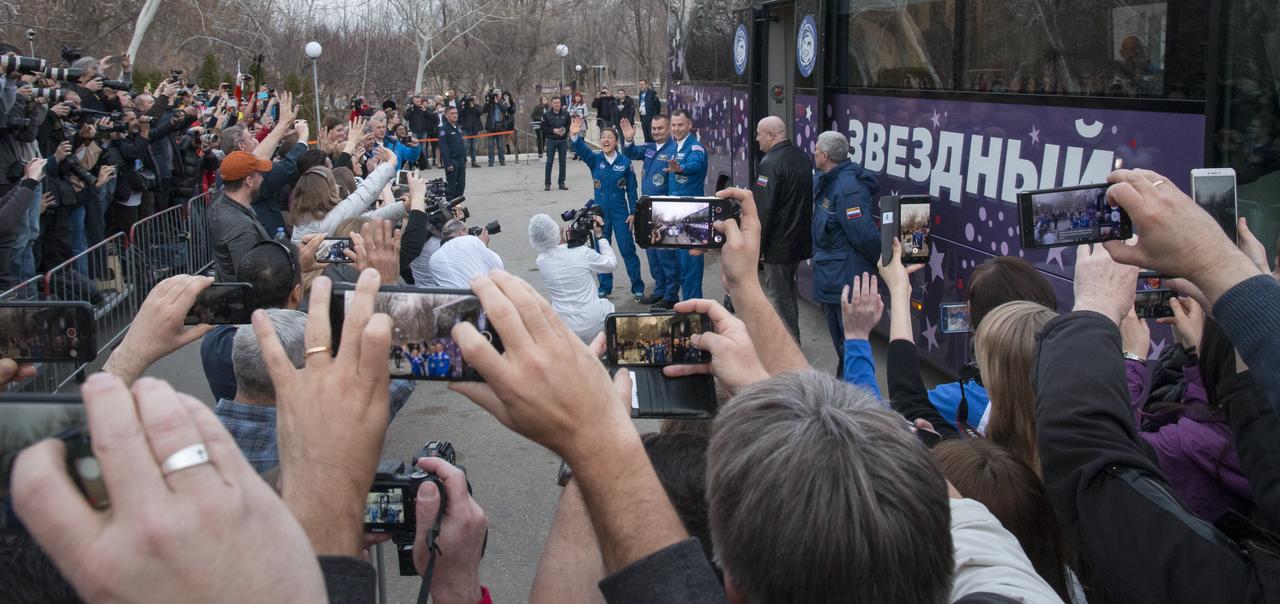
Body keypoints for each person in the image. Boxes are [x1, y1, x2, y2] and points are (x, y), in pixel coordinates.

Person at [811, 130, 880, 376]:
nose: (814, 153)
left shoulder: (847, 189)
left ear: (826, 156)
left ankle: (855, 394)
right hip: (833, 274)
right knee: (841, 343)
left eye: (816, 150)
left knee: (849, 342)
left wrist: (882, 263)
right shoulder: (827, 180)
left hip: (845, 277)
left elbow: (863, 235)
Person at [569, 115, 649, 302]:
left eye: (609, 137)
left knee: (628, 251)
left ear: (616, 141)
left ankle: (637, 288)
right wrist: (575, 137)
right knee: (601, 252)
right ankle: (605, 287)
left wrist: (632, 213)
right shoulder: (595, 160)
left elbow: (631, 189)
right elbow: (581, 149)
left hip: (621, 213)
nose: (605, 140)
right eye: (603, 137)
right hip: (600, 215)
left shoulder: (625, 163)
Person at [752, 116, 814, 341]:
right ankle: (792, 339)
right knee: (789, 294)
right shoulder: (801, 157)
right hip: (797, 241)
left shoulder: (770, 162)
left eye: (759, 133)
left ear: (771, 135)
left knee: (779, 297)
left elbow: (764, 209)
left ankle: (788, 347)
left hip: (779, 245)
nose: (756, 138)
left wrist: (757, 247)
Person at [620, 116, 680, 308]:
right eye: (653, 128)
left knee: (666, 256)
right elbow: (630, 152)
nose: (656, 132)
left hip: (664, 210)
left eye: (660, 128)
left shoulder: (675, 150)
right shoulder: (650, 147)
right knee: (653, 254)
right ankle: (659, 291)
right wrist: (628, 139)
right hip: (647, 208)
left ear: (669, 129)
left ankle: (671, 296)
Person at [529, 213, 618, 342]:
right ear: (558, 231)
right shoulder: (582, 252)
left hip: (564, 327)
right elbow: (611, 264)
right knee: (607, 305)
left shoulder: (541, 261)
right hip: (593, 323)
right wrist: (600, 236)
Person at [208, 151, 274, 281]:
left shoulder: (220, 200)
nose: (262, 178)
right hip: (243, 299)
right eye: (259, 174)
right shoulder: (241, 226)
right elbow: (250, 278)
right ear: (249, 181)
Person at [666, 109, 709, 300]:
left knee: (691, 267)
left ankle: (694, 312)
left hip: (692, 213)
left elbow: (697, 164)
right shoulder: (675, 146)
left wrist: (681, 168)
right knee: (680, 264)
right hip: (675, 211)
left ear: (689, 125)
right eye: (673, 125)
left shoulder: (695, 147)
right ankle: (685, 307)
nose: (676, 128)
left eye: (680, 125)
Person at [427, 219, 503, 288]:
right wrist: (483, 246)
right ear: (462, 231)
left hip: (455, 301)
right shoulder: (471, 241)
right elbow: (498, 267)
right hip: (480, 296)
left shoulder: (434, 258)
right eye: (467, 231)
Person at [541, 97, 570, 191]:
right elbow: (543, 128)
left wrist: (564, 130)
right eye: (555, 103)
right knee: (549, 162)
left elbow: (569, 125)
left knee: (563, 162)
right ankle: (547, 184)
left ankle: (561, 183)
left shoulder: (566, 114)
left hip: (563, 141)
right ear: (552, 104)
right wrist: (553, 130)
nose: (557, 104)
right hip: (551, 140)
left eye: (558, 102)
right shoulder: (546, 115)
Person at [439, 106, 467, 200]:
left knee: (461, 184)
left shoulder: (457, 128)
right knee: (451, 187)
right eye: (452, 113)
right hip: (452, 161)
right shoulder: (444, 129)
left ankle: (457, 205)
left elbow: (461, 144)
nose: (455, 115)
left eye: (456, 113)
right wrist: (447, 163)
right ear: (446, 115)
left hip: (460, 160)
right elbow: (443, 147)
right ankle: (450, 207)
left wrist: (465, 159)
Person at [482, 89, 509, 166]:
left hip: (500, 127)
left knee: (500, 145)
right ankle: (491, 161)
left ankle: (502, 161)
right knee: (490, 146)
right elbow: (484, 110)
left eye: (498, 94)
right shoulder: (490, 103)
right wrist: (488, 101)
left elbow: (504, 108)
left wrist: (497, 102)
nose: (497, 96)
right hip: (491, 127)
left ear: (500, 95)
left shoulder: (503, 102)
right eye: (496, 94)